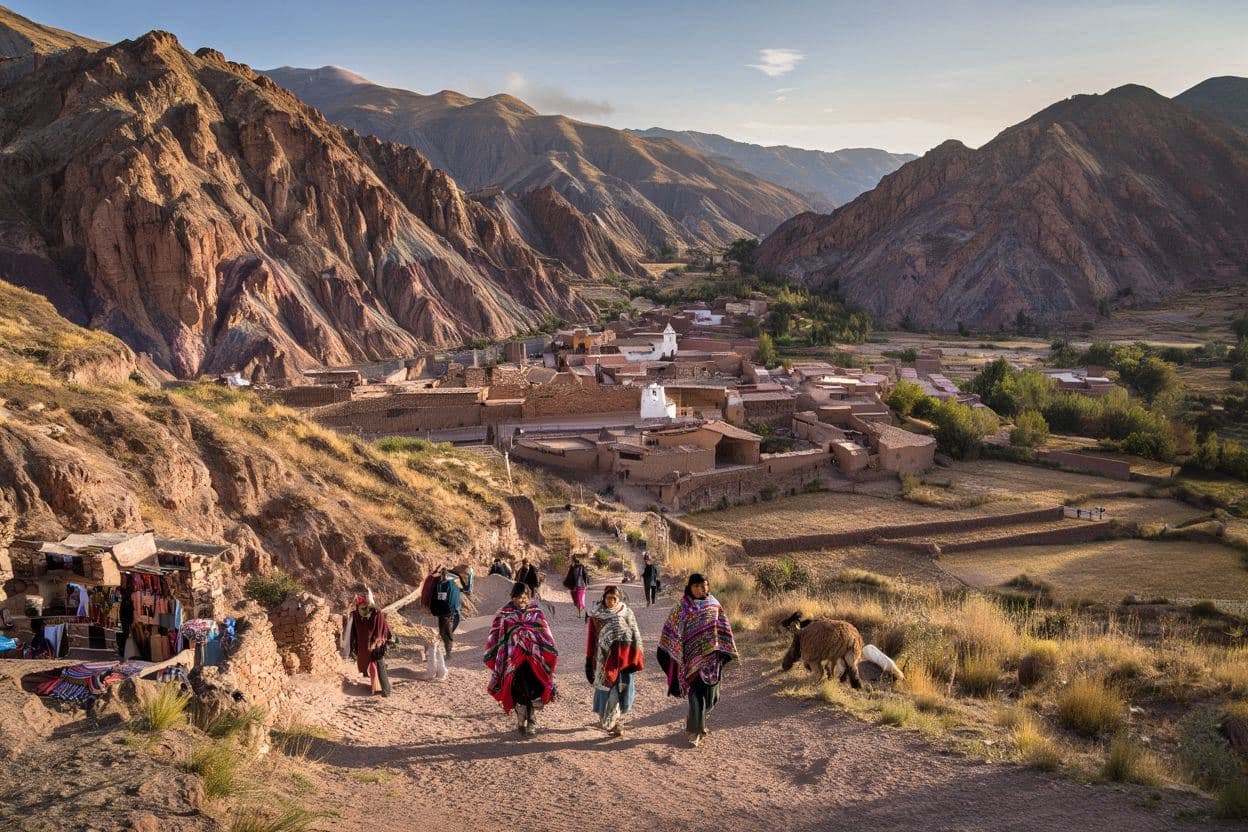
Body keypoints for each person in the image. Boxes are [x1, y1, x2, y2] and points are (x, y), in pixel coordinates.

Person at [657, 573, 737, 747]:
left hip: (712, 659)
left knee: (712, 697)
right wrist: (673, 650)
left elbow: (723, 627)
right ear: (690, 587)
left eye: (704, 585)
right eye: (697, 586)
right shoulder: (682, 607)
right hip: (690, 660)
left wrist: (724, 651)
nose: (701, 589)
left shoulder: (714, 605)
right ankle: (695, 731)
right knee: (696, 695)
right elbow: (671, 629)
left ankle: (695, 718)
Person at [483, 581, 559, 736]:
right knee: (516, 687)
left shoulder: (536, 613)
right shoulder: (504, 614)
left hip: (533, 658)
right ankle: (521, 716)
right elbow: (496, 634)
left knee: (533, 686)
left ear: (528, 596)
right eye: (518, 596)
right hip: (511, 658)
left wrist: (544, 647)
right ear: (513, 596)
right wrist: (495, 651)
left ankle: (531, 719)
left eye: (524, 595)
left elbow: (544, 631)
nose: (521, 599)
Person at [585, 585, 644, 737]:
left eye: (614, 598)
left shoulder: (627, 613)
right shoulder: (596, 615)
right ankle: (611, 722)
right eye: (608, 598)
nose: (611, 601)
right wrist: (588, 660)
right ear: (603, 598)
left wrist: (636, 658)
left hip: (625, 661)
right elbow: (591, 639)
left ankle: (616, 721)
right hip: (604, 662)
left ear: (619, 599)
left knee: (623, 691)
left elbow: (635, 635)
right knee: (608, 692)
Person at [342, 591, 392, 696]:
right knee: (372, 667)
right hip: (365, 646)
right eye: (361, 607)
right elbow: (355, 630)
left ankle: (386, 690)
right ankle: (375, 688)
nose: (363, 609)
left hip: (377, 645)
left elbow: (380, 627)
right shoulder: (358, 616)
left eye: (365, 607)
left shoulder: (376, 614)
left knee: (380, 666)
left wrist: (376, 641)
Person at [430, 568, 463, 657]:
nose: (443, 576)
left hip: (450, 612)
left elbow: (453, 598)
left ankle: (448, 653)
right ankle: (448, 650)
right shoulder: (439, 585)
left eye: (444, 574)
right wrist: (435, 610)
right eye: (442, 574)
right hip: (442, 612)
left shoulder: (451, 585)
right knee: (442, 632)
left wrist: (450, 609)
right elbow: (435, 598)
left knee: (447, 631)